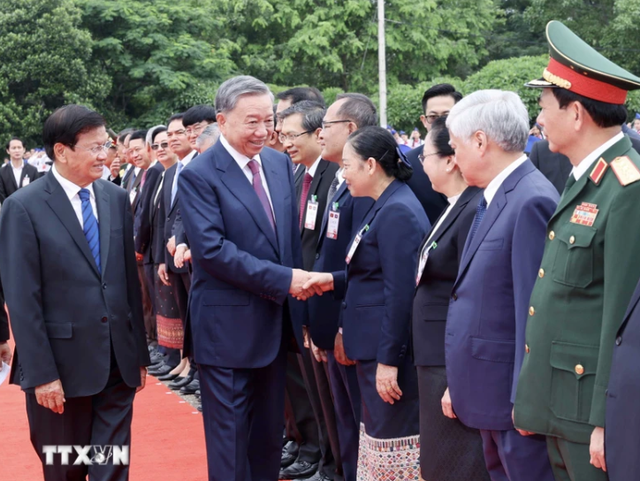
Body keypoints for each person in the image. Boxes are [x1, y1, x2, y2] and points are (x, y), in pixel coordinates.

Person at [513, 21, 640, 481]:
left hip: (590, 413)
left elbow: (622, 321)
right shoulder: (584, 177)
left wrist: (607, 420)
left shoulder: (626, 188)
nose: (539, 119)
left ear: (577, 113)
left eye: (544, 106)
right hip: (563, 404)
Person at [0, 104, 150, 481]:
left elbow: (127, 281)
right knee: (66, 466)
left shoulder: (114, 198)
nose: (105, 156)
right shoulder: (23, 207)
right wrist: (42, 373)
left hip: (116, 362)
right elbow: (22, 298)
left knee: (110, 466)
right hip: (60, 368)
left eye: (107, 145)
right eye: (95, 148)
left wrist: (138, 353)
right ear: (61, 151)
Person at [178, 75, 308, 481]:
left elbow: (286, 237)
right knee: (231, 443)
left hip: (275, 325)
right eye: (251, 122)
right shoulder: (199, 174)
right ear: (222, 119)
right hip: (226, 331)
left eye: (268, 120)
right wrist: (286, 279)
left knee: (268, 439)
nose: (263, 131)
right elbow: (213, 252)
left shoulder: (277, 162)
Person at [303, 126, 429, 481]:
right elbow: (370, 273)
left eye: (348, 166)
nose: (343, 175)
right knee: (374, 444)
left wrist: (388, 361)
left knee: (393, 446)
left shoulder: (398, 210)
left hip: (384, 353)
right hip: (370, 347)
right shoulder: (381, 205)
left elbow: (400, 293)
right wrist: (330, 280)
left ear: (371, 165)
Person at [443, 90, 558, 481]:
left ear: (480, 141)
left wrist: (524, 397)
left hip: (512, 400)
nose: (452, 157)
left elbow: (534, 309)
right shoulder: (494, 195)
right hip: (487, 389)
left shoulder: (530, 199)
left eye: (455, 145)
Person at [412, 117, 489, 481]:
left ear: (450, 160)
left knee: (456, 461)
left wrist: (458, 377)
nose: (420, 163)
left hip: (449, 357)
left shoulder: (474, 208)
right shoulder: (453, 205)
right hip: (433, 352)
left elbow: (471, 295)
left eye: (425, 155)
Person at [307, 93, 377, 481]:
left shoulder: (366, 185)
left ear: (350, 129)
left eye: (327, 126)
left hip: (349, 328)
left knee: (358, 426)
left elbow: (364, 265)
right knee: (345, 423)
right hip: (330, 320)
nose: (320, 134)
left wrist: (341, 328)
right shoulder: (339, 178)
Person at [279, 99, 341, 481]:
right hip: (295, 293)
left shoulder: (335, 174)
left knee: (326, 389)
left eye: (292, 135)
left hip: (322, 295)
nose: (285, 142)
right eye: (281, 135)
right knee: (304, 384)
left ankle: (330, 457)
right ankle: (313, 449)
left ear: (320, 134)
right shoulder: (295, 174)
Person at [406, 84, 461, 224]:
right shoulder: (409, 163)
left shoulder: (476, 159)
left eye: (447, 116)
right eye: (433, 117)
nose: (441, 122)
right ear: (424, 121)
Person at [0, 137, 40, 204]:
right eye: (14, 148)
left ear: (24, 149)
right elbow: (2, 194)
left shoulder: (33, 170)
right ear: (8, 151)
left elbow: (36, 192)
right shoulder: (2, 172)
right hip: (9, 210)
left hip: (28, 210)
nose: (17, 150)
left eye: (19, 147)